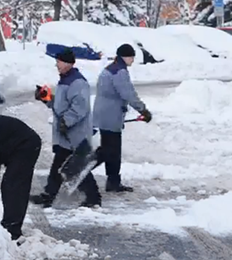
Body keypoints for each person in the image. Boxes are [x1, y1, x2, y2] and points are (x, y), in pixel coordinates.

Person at [30, 49, 102, 208]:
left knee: (77, 166)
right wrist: (45, 97)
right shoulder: (65, 80)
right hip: (67, 133)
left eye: (59, 61)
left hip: (75, 134)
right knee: (63, 166)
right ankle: (49, 195)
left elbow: (80, 107)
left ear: (68, 63)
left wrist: (66, 121)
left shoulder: (77, 82)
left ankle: (93, 198)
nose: (56, 65)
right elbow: (60, 105)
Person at [92, 43, 152, 192]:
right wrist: (143, 110)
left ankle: (112, 181)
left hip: (105, 113)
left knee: (110, 149)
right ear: (126, 57)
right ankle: (80, 170)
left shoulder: (111, 68)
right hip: (111, 115)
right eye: (132, 57)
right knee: (109, 150)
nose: (132, 60)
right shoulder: (120, 72)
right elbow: (128, 93)